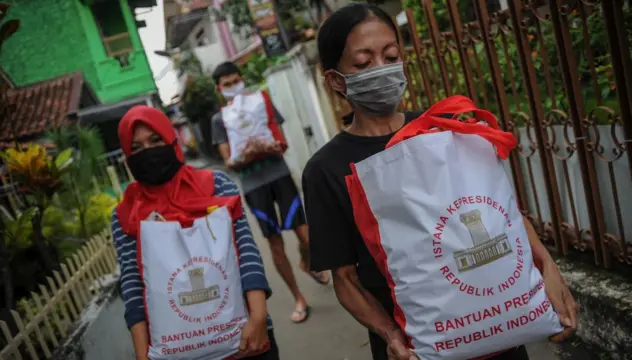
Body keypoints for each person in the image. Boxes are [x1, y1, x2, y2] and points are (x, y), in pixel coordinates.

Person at [302, 4, 579, 360]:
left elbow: (503, 216)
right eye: (363, 63)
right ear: (336, 80)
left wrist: (549, 270)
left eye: (390, 56)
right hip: (419, 346)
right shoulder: (325, 169)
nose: (382, 70)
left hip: (499, 330)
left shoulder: (444, 132)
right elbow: (345, 278)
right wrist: (391, 335)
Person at [112, 106, 279, 360]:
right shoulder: (126, 213)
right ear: (127, 156)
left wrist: (257, 318)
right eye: (136, 148)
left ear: (172, 140)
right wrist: (142, 354)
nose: (148, 152)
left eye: (155, 140)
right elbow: (133, 284)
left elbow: (244, 251)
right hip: (179, 351)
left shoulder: (215, 185)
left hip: (246, 339)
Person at [210, 61, 330, 324]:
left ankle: (306, 262)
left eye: (236, 81)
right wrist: (245, 156)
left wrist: (272, 147)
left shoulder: (260, 102)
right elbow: (228, 160)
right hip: (253, 186)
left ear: (242, 79)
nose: (233, 87)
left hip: (280, 175)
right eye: (227, 85)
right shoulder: (219, 120)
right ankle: (299, 298)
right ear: (219, 89)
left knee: (306, 236)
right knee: (275, 244)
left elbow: (281, 140)